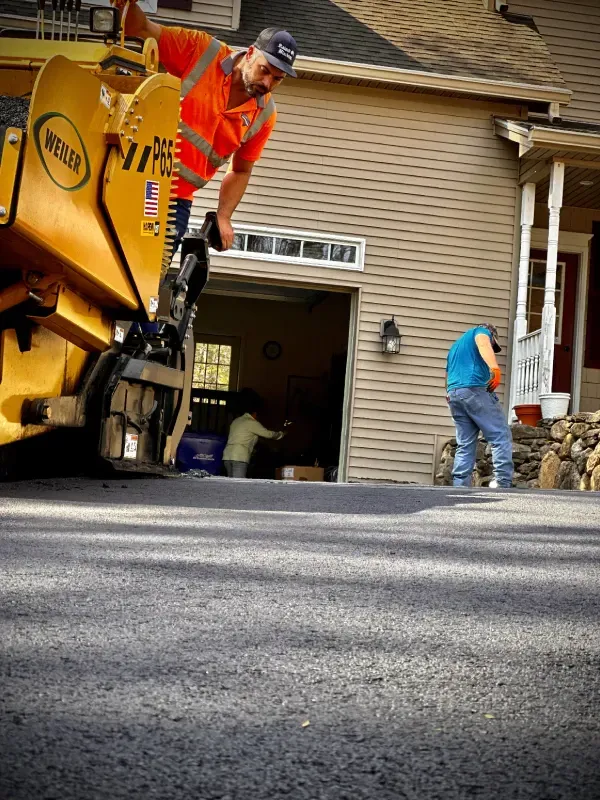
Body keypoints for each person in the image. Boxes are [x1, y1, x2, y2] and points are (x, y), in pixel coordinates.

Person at [111, 0, 298, 251]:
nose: (267, 83)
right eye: (264, 71)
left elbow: (241, 170)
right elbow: (142, 27)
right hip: (134, 174)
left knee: (152, 273)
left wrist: (224, 215)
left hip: (177, 198)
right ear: (251, 53)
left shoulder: (264, 116)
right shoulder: (200, 50)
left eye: (277, 79)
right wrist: (125, 5)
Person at [446, 323, 514, 489]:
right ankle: (503, 482)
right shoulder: (481, 331)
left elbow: (447, 374)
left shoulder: (455, 347)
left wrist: (448, 393)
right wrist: (494, 368)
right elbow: (483, 341)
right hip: (474, 389)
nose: (491, 347)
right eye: (493, 344)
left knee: (465, 443)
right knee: (500, 434)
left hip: (454, 393)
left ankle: (460, 485)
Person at [223, 392, 284, 478]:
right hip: (239, 457)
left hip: (227, 456)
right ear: (255, 414)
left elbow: (243, 436)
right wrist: (280, 434)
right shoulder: (251, 422)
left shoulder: (236, 421)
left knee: (230, 482)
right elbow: (268, 434)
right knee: (238, 484)